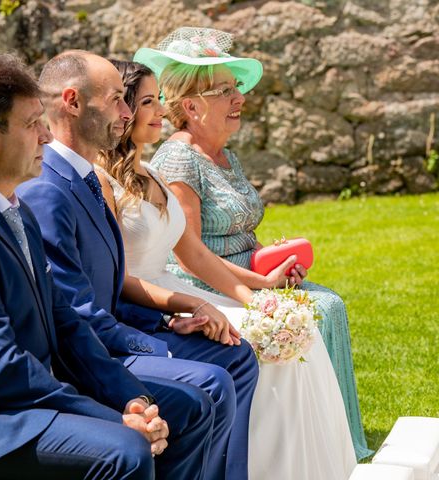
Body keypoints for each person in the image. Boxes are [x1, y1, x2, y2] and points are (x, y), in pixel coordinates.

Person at [0, 53, 217, 480]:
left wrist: (132, 399)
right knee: (126, 448)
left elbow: (65, 322)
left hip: (23, 398)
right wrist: (112, 417)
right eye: (31, 124)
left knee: (189, 408)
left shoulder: (12, 207)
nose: (45, 135)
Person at [95, 58, 357, 480]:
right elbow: (116, 274)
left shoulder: (152, 176)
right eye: (148, 102)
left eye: (157, 101)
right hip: (151, 303)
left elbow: (194, 254)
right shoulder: (103, 181)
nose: (162, 111)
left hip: (183, 292)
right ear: (122, 110)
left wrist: (256, 302)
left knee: (298, 335)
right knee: (263, 351)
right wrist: (189, 305)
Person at [17, 50, 258, 480]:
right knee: (212, 384)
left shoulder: (85, 178)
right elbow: (76, 313)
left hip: (121, 330)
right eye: (117, 100)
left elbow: (109, 285)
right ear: (72, 103)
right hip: (90, 354)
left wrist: (169, 321)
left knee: (236, 354)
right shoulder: (48, 189)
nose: (127, 113)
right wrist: (156, 344)